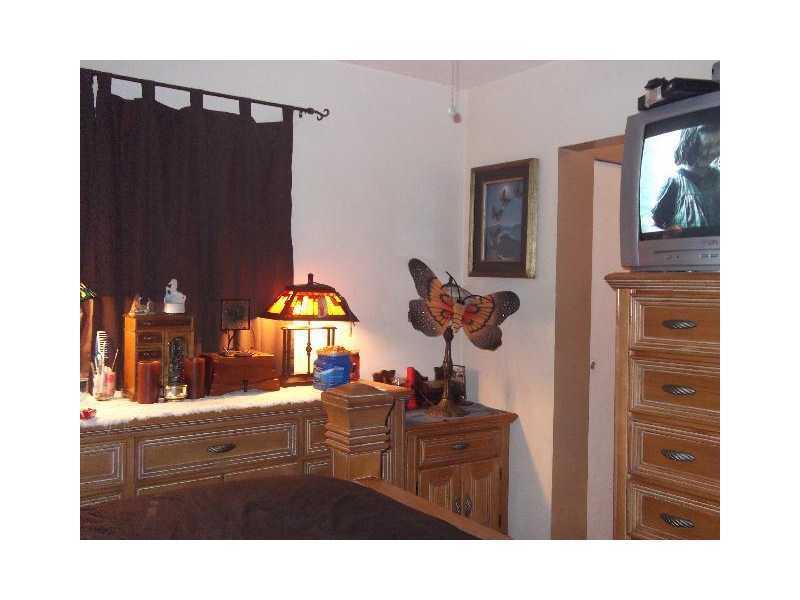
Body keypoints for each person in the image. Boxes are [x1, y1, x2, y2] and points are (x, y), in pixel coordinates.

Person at [651, 123, 720, 232]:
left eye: (718, 144)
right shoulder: (673, 182)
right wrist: (666, 233)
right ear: (690, 146)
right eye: (706, 146)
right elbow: (654, 224)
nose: (713, 151)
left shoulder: (719, 177)